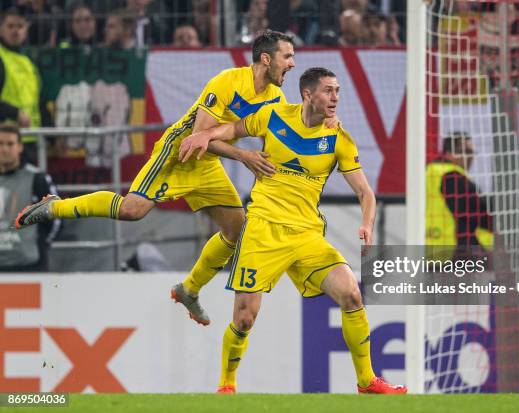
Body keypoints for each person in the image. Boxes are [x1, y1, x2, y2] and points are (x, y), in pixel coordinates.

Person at [15, 31, 297, 327]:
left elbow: (280, 143)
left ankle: (189, 289)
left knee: (237, 231)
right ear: (266, 59)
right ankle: (54, 206)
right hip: (179, 152)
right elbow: (200, 138)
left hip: (209, 165)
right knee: (131, 210)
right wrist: (245, 157)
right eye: (287, 56)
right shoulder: (228, 81)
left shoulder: (275, 98)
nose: (292, 64)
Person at [178, 67, 407, 394]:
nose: (335, 98)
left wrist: (366, 223)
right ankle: (226, 387)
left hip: (306, 236)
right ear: (307, 94)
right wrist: (205, 134)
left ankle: (366, 381)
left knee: (352, 294)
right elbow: (233, 127)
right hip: (263, 229)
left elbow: (365, 193)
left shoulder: (338, 138)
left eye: (338, 91)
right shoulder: (272, 116)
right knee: (244, 318)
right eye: (328, 91)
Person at [0, 124, 60, 272]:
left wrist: (40, 244)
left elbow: (57, 216)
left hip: (29, 266)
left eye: (10, 144)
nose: (5, 149)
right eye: (0, 144)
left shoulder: (37, 178)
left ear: (20, 147)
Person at [425, 131, 494, 260]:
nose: (470, 157)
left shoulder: (428, 172)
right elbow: (475, 214)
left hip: (430, 248)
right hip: (456, 252)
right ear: (449, 153)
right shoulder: (453, 177)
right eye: (466, 151)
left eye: (471, 152)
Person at [0, 7, 45, 162]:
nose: (15, 31)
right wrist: (15, 113)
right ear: (1, 29)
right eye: (10, 26)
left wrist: (53, 137)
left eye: (20, 26)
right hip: (6, 141)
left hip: (31, 140)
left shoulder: (29, 61)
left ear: (26, 30)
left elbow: (38, 101)